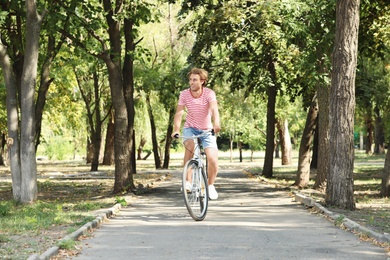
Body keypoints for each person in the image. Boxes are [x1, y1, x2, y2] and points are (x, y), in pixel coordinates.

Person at [172, 67, 221, 200]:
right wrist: (176, 129)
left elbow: (214, 109)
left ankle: (210, 185)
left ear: (202, 81)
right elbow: (179, 113)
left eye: (195, 80)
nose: (191, 82)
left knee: (213, 159)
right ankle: (187, 182)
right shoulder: (184, 94)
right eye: (190, 80)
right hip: (190, 128)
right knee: (190, 144)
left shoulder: (209, 93)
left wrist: (216, 124)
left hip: (207, 130)